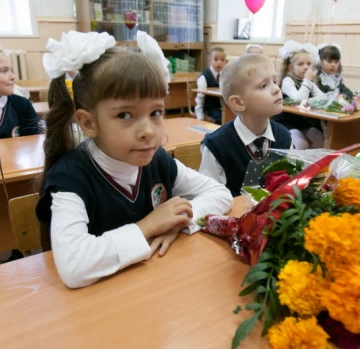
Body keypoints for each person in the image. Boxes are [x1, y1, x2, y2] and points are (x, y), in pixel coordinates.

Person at [35, 31, 232, 289]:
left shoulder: (156, 159)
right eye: (125, 115)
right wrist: (148, 226)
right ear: (88, 122)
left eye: (156, 112)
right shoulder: (72, 177)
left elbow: (221, 194)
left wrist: (179, 222)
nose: (148, 131)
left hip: (151, 291)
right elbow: (74, 266)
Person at [199, 54, 292, 197]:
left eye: (275, 81)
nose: (276, 89)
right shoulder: (217, 146)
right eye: (263, 85)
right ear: (238, 103)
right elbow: (208, 197)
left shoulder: (285, 137)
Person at [273, 40, 324, 149]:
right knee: (302, 143)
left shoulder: (309, 82)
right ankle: (296, 165)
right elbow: (299, 99)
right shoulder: (288, 81)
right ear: (291, 68)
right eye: (301, 64)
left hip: (302, 121)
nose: (306, 67)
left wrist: (309, 99)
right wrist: (307, 80)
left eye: (308, 64)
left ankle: (312, 165)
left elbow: (322, 98)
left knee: (319, 137)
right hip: (286, 121)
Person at [195, 47, 227, 124]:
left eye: (222, 60)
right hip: (210, 109)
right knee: (221, 118)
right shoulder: (204, 77)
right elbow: (200, 99)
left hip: (222, 108)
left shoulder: (225, 76)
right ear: (210, 60)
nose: (219, 62)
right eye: (216, 59)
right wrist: (200, 118)